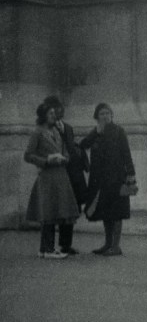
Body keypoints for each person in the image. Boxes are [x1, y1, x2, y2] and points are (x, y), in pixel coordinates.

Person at [80, 103, 137, 256]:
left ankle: (116, 246)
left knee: (117, 212)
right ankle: (107, 244)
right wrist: (95, 134)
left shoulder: (119, 131)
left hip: (117, 178)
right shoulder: (96, 132)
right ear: (97, 117)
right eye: (102, 114)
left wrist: (131, 174)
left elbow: (126, 154)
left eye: (107, 113)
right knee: (106, 212)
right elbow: (82, 146)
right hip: (100, 180)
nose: (105, 116)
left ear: (112, 115)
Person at [24, 103, 80, 259]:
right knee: (48, 212)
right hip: (48, 176)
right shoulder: (37, 133)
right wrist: (46, 160)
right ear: (43, 116)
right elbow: (28, 155)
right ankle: (48, 249)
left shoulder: (56, 131)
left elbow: (65, 151)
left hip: (60, 175)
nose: (54, 116)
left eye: (54, 113)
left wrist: (65, 158)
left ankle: (44, 249)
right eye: (50, 113)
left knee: (55, 211)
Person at [43, 96, 88, 255]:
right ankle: (47, 246)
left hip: (71, 173)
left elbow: (72, 150)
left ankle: (65, 244)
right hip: (54, 172)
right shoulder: (44, 128)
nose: (58, 111)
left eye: (60, 107)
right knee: (52, 209)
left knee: (70, 209)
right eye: (54, 108)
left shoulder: (68, 128)